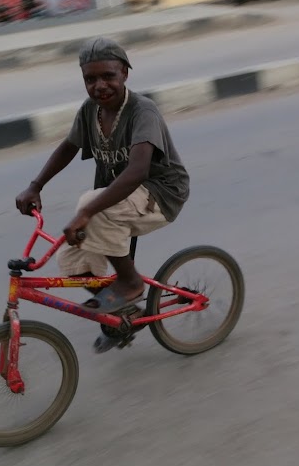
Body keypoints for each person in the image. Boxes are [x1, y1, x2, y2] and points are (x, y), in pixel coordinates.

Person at [15, 37, 190, 353]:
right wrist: (36, 185)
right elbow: (69, 146)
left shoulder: (142, 111)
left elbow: (137, 171)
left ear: (124, 73)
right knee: (71, 257)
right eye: (90, 79)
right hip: (119, 196)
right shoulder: (90, 111)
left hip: (161, 193)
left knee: (88, 205)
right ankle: (122, 311)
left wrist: (87, 212)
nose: (99, 86)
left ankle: (131, 283)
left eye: (108, 76)